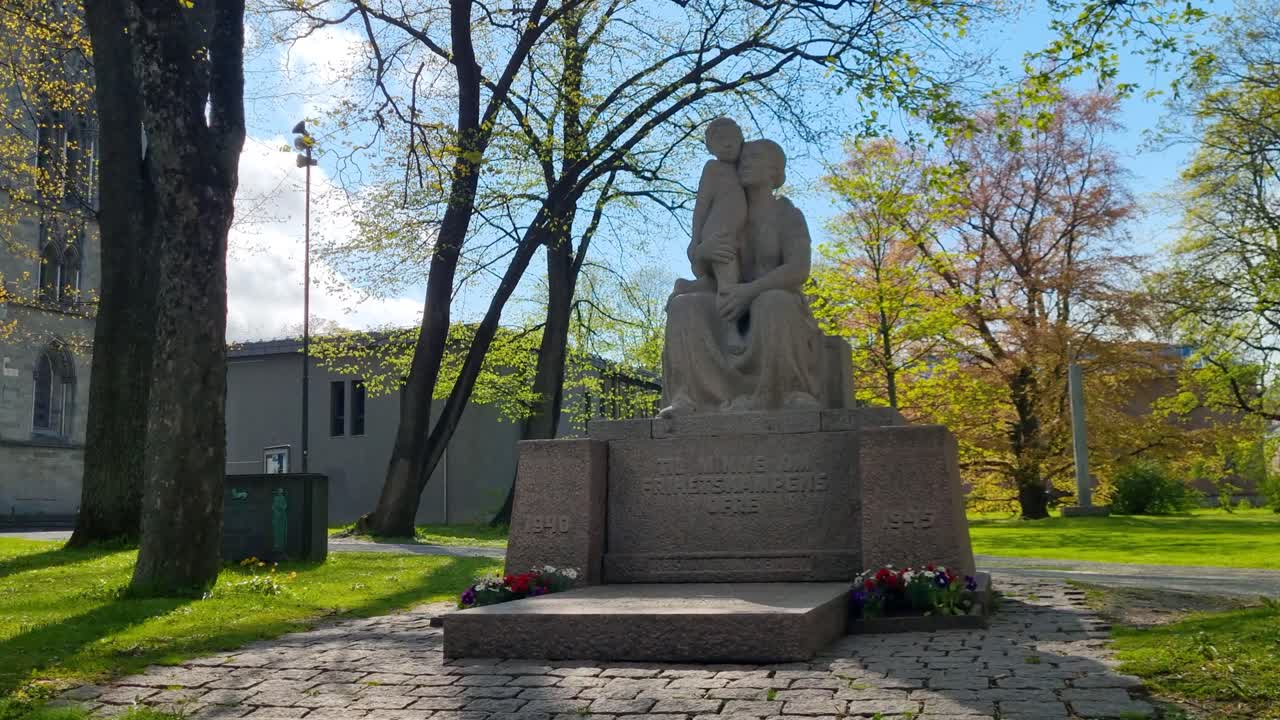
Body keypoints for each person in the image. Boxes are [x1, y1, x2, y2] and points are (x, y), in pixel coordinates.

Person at [660, 138, 824, 417]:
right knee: (684, 306)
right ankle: (690, 399)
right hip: (725, 300)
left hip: (771, 300)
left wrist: (749, 292)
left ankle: (784, 393)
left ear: (775, 172)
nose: (746, 162)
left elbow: (798, 269)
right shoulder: (726, 211)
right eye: (744, 158)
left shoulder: (786, 214)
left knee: (773, 303)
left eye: (756, 158)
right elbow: (702, 269)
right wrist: (703, 250)